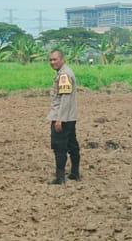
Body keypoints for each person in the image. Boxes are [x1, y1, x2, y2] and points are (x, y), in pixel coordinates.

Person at [47, 49, 80, 184]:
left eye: (55, 59)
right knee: (72, 145)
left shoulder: (64, 75)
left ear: (62, 59)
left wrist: (59, 119)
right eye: (50, 60)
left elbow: (65, 99)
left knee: (59, 147)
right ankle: (75, 173)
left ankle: (60, 178)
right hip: (70, 117)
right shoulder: (65, 72)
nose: (52, 62)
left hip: (62, 117)